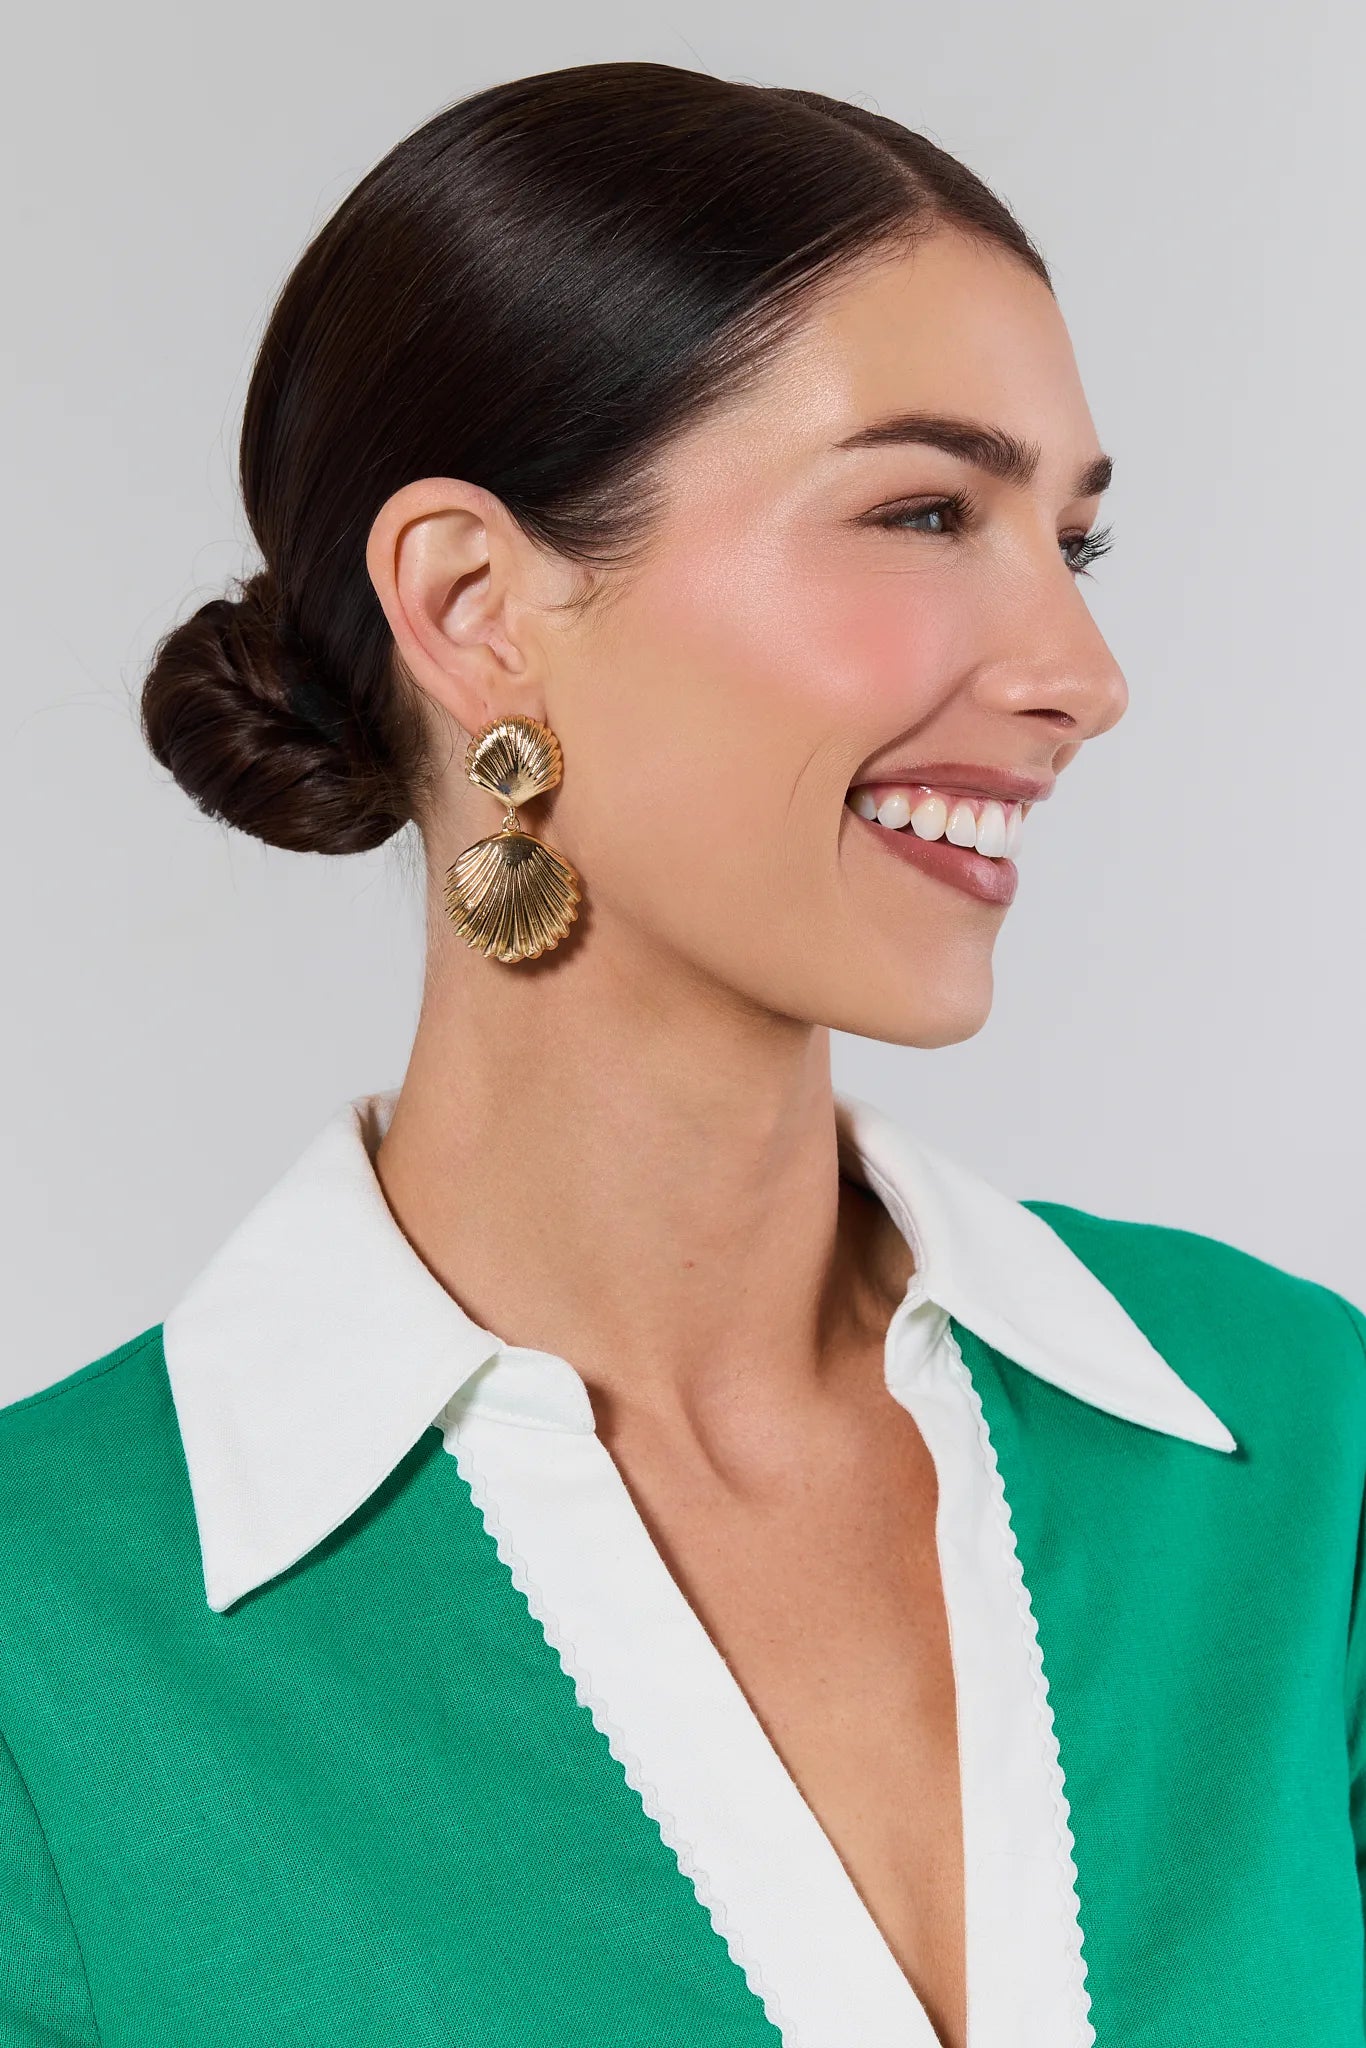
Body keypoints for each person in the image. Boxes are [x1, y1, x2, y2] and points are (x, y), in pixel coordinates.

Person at [2, 59, 1362, 2048]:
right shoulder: (52, 1638)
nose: (1077, 676)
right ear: (475, 609)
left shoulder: (1291, 1450)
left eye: (1064, 542)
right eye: (921, 511)